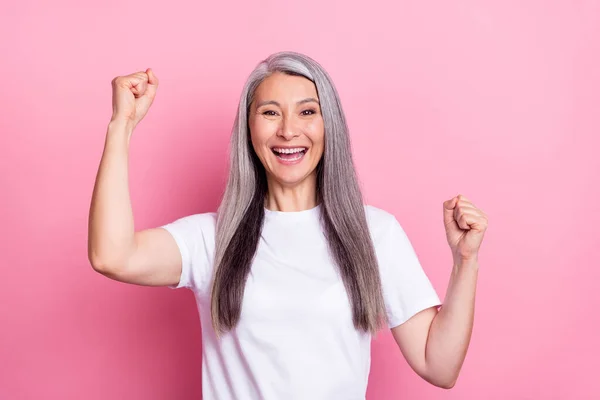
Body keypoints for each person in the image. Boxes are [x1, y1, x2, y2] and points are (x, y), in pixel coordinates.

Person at [88, 51, 488, 400]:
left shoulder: (374, 234)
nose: (288, 130)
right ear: (250, 129)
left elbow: (440, 366)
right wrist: (121, 125)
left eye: (307, 111)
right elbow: (112, 256)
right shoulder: (212, 239)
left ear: (329, 126)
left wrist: (464, 262)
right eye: (270, 112)